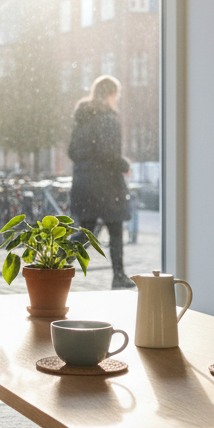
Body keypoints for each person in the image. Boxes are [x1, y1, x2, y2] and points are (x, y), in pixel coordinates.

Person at [67, 75, 134, 290]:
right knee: (115, 229)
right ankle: (119, 275)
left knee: (87, 230)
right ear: (111, 94)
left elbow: (72, 152)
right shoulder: (108, 118)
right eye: (117, 95)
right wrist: (125, 165)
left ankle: (57, 263)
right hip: (106, 185)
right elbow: (109, 153)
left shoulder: (82, 118)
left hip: (84, 183)